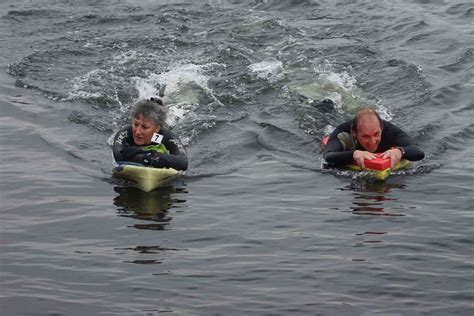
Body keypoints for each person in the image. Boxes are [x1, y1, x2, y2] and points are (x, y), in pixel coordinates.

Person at [323, 107, 424, 169]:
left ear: (381, 128)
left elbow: (418, 152)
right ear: (354, 133)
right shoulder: (343, 133)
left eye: (376, 134)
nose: (372, 142)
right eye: (365, 136)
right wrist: (354, 154)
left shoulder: (389, 130)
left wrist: (400, 151)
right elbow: (328, 156)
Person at [113, 97, 188, 171]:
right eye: (136, 124)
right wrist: (147, 157)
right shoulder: (126, 133)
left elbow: (183, 162)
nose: (138, 132)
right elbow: (118, 155)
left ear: (157, 128)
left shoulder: (164, 136)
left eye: (144, 127)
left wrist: (157, 157)